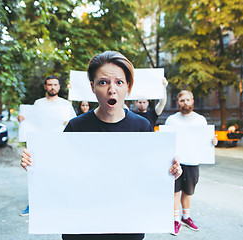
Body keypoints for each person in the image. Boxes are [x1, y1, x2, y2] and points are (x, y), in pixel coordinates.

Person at [21, 51, 183, 240]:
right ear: (92, 87)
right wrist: (34, 163)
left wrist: (169, 171)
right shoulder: (76, 126)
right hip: (82, 226)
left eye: (119, 82)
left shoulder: (141, 126)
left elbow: (148, 174)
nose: (112, 89)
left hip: (127, 226)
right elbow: (60, 171)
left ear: (128, 87)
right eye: (103, 82)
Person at [18, 75, 77, 216]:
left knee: (60, 174)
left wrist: (68, 123)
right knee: (37, 174)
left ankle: (59, 203)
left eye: (55, 84)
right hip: (41, 145)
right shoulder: (38, 104)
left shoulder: (65, 105)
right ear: (45, 86)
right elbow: (32, 121)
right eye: (49, 84)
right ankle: (33, 205)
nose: (52, 87)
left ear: (59, 86)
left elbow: (74, 123)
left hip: (60, 145)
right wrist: (22, 119)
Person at [164, 90, 217, 236]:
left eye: (187, 100)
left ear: (192, 101)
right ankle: (175, 220)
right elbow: (166, 143)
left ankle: (185, 218)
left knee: (188, 192)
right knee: (175, 192)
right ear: (177, 103)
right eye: (182, 101)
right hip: (176, 163)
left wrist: (213, 141)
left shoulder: (201, 120)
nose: (185, 103)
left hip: (193, 162)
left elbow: (206, 141)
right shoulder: (171, 120)